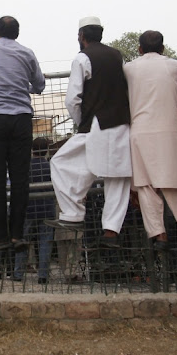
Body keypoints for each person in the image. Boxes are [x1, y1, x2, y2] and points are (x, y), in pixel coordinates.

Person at [46, 16, 132, 249]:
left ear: (81, 36)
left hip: (95, 125)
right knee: (117, 178)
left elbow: (72, 98)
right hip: (122, 125)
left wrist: (80, 123)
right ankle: (111, 231)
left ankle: (72, 214)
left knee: (60, 162)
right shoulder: (117, 56)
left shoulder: (82, 58)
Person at [0, 16, 46, 251]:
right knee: (20, 179)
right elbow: (40, 85)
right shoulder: (27, 53)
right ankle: (16, 236)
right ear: (17, 33)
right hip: (21, 119)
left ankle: (0, 236)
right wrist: (24, 86)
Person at [123, 30, 177, 250]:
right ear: (163, 48)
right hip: (168, 130)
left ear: (139, 49)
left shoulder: (128, 68)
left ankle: (159, 234)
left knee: (145, 184)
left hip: (139, 131)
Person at [13, 137, 54, 284]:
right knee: (45, 241)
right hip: (47, 208)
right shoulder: (51, 166)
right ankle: (43, 275)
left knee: (23, 240)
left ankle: (18, 273)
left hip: (28, 208)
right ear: (46, 150)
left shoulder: (25, 166)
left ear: (32, 149)